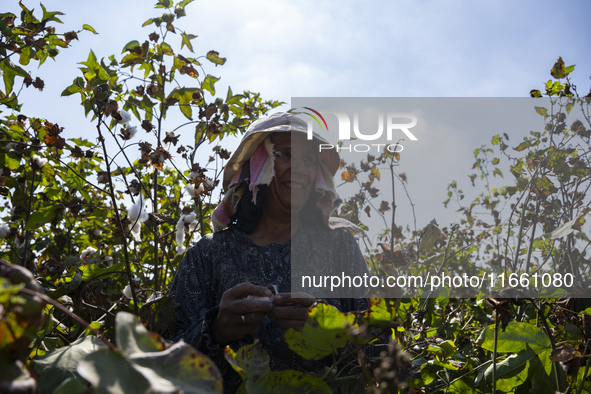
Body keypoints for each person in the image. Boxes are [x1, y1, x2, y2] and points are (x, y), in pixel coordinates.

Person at [169, 112, 370, 393]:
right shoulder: (208, 255)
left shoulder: (340, 249)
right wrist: (216, 329)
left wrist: (327, 334)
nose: (299, 168)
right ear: (258, 167)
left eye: (309, 159)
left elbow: (377, 349)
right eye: (285, 154)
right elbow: (163, 360)